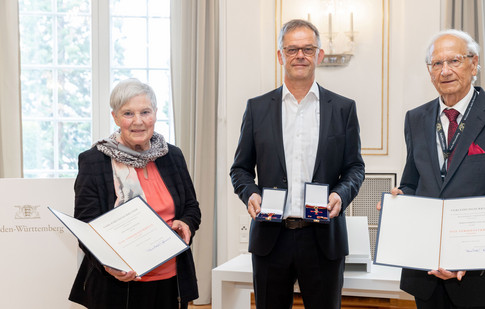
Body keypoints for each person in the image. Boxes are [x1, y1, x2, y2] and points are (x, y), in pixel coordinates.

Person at [379, 29, 485, 308]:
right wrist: (400, 202)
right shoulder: (415, 118)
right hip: (424, 275)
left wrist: (468, 255)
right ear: (429, 70)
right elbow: (413, 182)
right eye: (437, 63)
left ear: (474, 64)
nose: (445, 70)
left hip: (479, 282)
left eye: (455, 61)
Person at [230, 19, 365, 309]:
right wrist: (249, 193)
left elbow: (355, 167)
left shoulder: (343, 109)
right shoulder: (258, 108)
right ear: (280, 56)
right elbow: (240, 168)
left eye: (307, 49)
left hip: (323, 239)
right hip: (271, 238)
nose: (299, 56)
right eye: (292, 49)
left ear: (320, 55)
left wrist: (341, 194)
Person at [69, 78, 201, 309]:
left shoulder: (173, 156)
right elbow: (85, 226)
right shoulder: (94, 161)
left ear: (156, 114)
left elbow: (191, 207)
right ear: (115, 117)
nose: (138, 121)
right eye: (128, 113)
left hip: (171, 280)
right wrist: (107, 264)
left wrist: (186, 223)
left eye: (145, 112)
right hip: (117, 283)